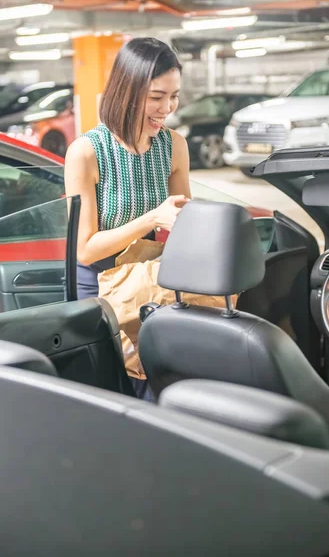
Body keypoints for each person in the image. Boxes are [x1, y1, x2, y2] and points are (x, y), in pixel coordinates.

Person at [64, 37, 191, 399]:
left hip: (152, 283)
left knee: (166, 388)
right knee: (120, 394)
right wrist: (153, 218)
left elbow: (182, 223)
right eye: (156, 97)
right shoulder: (87, 152)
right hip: (101, 293)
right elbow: (84, 251)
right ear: (127, 90)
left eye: (174, 96)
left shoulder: (174, 146)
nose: (167, 107)